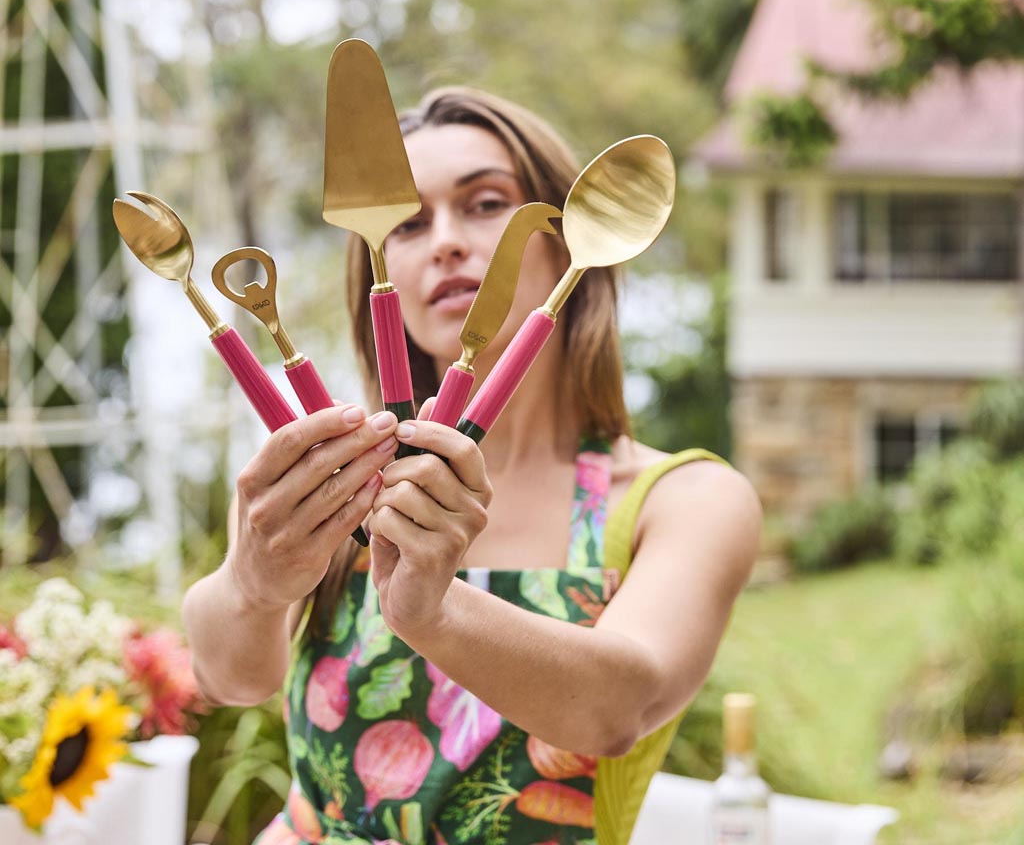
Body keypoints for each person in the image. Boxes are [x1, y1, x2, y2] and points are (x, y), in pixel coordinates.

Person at [182, 87, 762, 845]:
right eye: (410, 224)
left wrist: (436, 610)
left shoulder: (680, 500)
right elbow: (231, 677)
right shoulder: (331, 473)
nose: (446, 242)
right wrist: (253, 584)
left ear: (565, 242)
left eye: (487, 203)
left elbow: (616, 708)